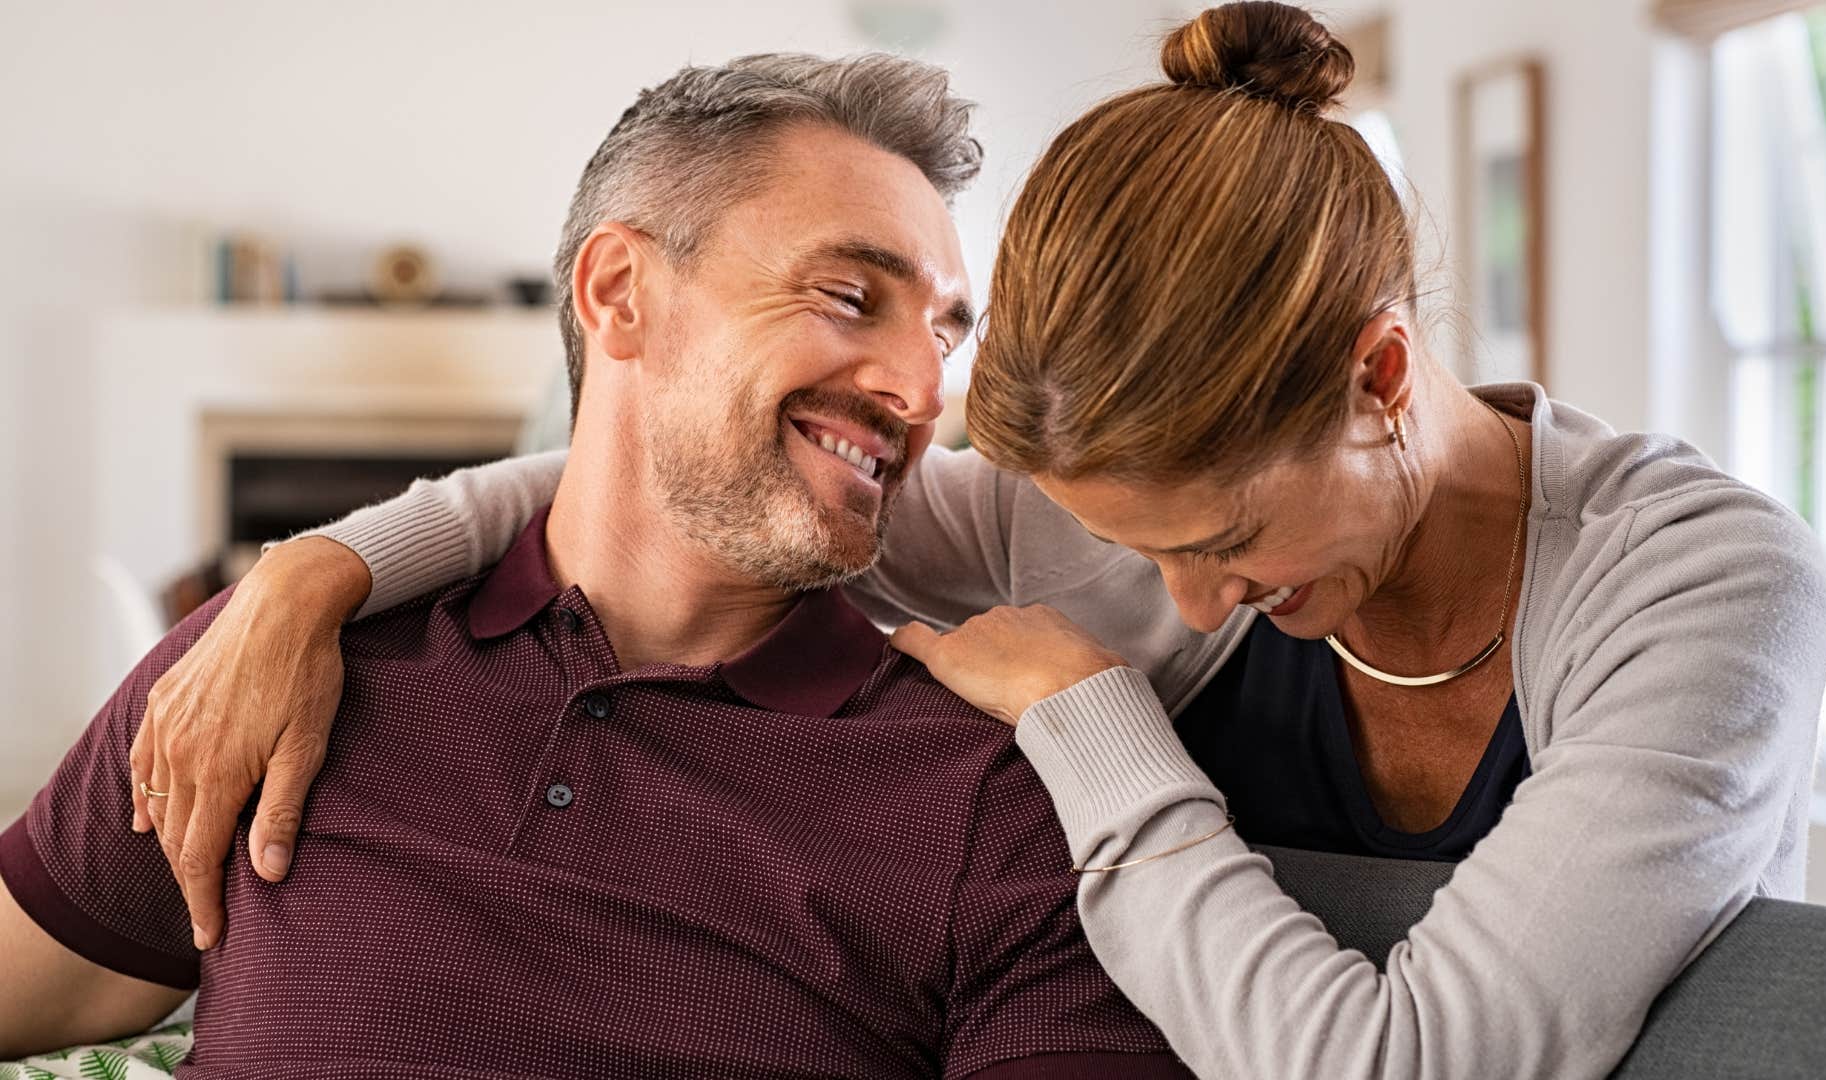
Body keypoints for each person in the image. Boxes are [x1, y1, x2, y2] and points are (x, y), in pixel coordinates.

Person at [123, 4, 1826, 1078]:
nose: (1182, 597)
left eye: (1228, 542)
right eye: (1128, 546)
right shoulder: (1067, 531)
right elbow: (674, 480)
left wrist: (1089, 715)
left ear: (1379, 373)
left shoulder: (1706, 592)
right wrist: (316, 574)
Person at [0, 52, 1193, 1078]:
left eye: (942, 331)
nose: (925, 391)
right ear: (619, 295)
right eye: (848, 295)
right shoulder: (275, 668)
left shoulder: (986, 799)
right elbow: (42, 981)